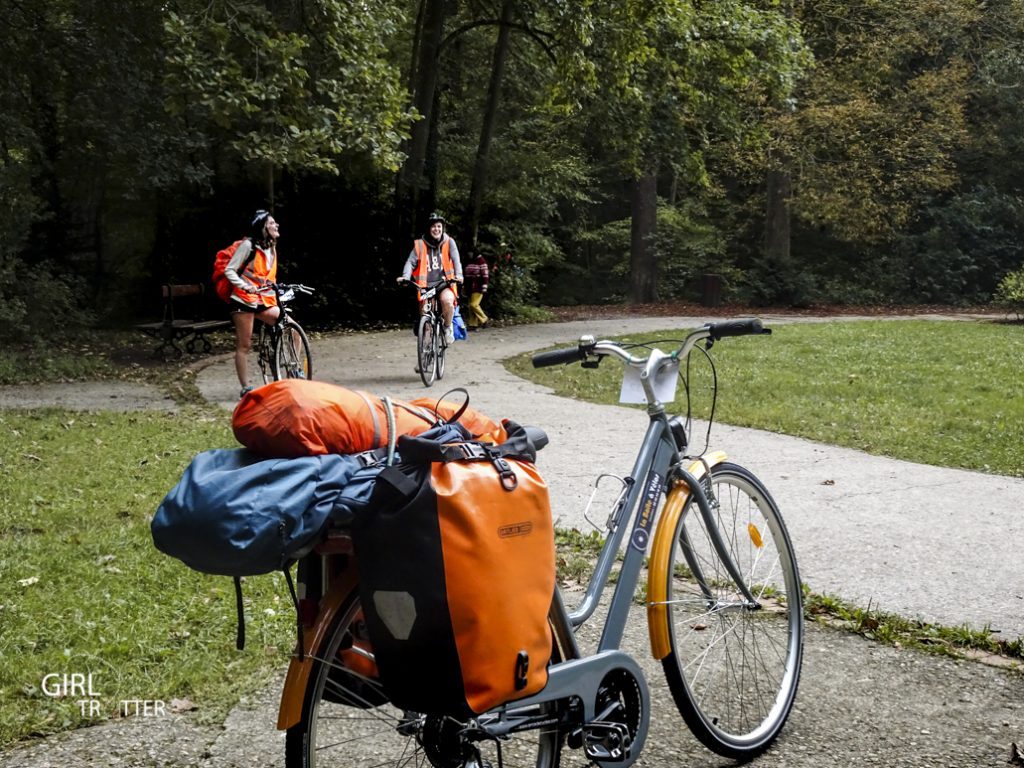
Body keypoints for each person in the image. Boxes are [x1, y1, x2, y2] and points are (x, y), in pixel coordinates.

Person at [225, 209, 281, 398]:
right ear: (263, 227)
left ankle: (293, 367)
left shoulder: (271, 246)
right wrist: (244, 286)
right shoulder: (248, 245)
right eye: (272, 223)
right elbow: (230, 270)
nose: (276, 225)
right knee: (244, 344)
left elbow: (266, 276)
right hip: (243, 298)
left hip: (262, 298)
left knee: (286, 321)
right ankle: (246, 386)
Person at [398, 212, 463, 343]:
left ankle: (447, 327)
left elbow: (456, 260)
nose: (436, 229)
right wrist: (405, 277)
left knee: (448, 302)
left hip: (444, 284)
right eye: (433, 226)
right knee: (425, 315)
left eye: (439, 226)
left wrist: (459, 275)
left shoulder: (449, 242)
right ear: (429, 228)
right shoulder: (420, 245)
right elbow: (410, 262)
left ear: (442, 228)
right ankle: (426, 350)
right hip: (425, 286)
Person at [463, 248, 490, 329]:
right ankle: (473, 324)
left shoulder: (481, 261)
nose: (469, 254)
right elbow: (466, 275)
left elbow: (485, 275)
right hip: (469, 287)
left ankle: (484, 319)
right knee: (470, 307)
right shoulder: (469, 261)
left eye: (470, 252)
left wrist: (484, 286)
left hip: (478, 287)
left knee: (474, 305)